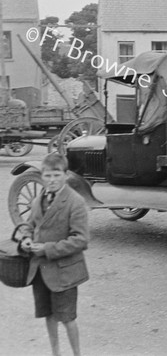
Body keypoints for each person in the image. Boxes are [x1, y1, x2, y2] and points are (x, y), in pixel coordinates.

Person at [19, 153, 90, 356]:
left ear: (66, 175)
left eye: (56, 175)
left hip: (64, 274)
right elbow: (29, 225)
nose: (52, 180)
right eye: (47, 175)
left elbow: (81, 239)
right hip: (41, 271)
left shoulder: (75, 202)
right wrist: (26, 238)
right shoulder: (39, 199)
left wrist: (47, 249)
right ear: (42, 176)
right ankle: (55, 352)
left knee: (67, 318)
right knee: (48, 315)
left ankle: (77, 354)